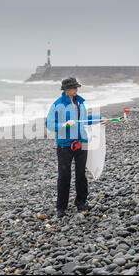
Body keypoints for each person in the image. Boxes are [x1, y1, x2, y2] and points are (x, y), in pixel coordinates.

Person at [45, 77, 104, 218]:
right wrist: (64, 125)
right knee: (64, 176)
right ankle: (61, 208)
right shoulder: (57, 105)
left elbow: (83, 119)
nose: (76, 89)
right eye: (73, 87)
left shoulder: (80, 102)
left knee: (81, 175)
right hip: (65, 145)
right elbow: (49, 124)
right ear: (66, 90)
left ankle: (81, 202)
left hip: (82, 143)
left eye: (76, 87)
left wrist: (100, 118)